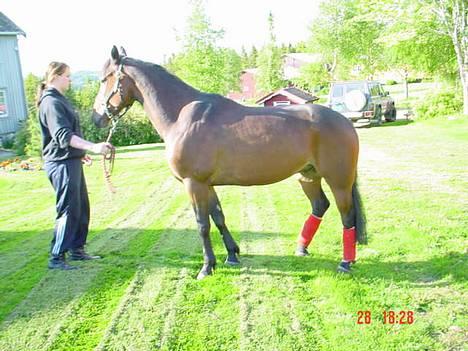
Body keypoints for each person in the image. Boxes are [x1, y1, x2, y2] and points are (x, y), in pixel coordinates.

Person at [37, 61, 114, 270]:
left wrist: (79, 154)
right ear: (55, 76)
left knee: (81, 207)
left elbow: (66, 138)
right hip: (60, 164)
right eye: (67, 76)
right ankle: (57, 257)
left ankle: (77, 251)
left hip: (69, 161)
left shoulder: (59, 100)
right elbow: (63, 136)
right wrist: (93, 147)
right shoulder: (51, 103)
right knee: (68, 209)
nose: (70, 80)